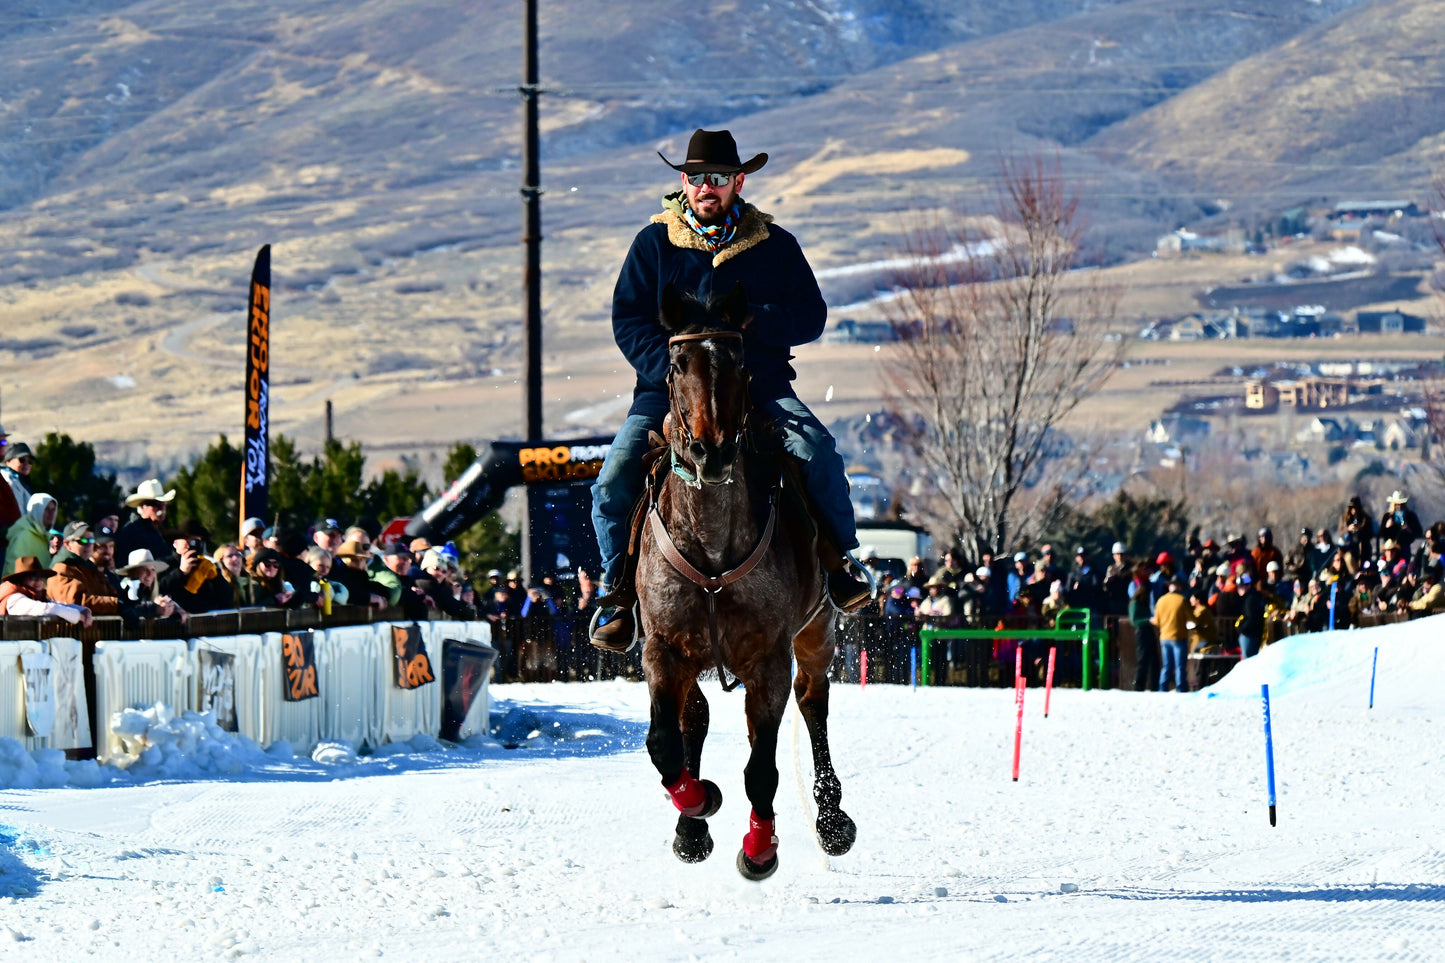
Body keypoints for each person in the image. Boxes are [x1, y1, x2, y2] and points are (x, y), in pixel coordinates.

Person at [588, 128, 870, 651]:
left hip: (759, 387)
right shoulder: (654, 243)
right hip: (669, 391)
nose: (706, 187)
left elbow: (812, 316)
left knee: (817, 451)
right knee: (612, 480)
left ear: (739, 182)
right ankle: (618, 592)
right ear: (684, 181)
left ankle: (840, 563)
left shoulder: (775, 245)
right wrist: (670, 374)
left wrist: (759, 322)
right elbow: (628, 320)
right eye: (697, 178)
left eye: (718, 178)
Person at [47, 522, 121, 615]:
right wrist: (116, 605)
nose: (89, 545)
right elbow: (75, 601)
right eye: (83, 541)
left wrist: (127, 603)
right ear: (67, 544)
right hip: (71, 629)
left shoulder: (90, 568)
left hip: (92, 628)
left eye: (91, 540)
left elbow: (108, 593)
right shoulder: (62, 569)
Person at [0, 557, 92, 624]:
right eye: (33, 576)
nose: (39, 581)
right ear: (21, 579)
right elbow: (48, 608)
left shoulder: (35, 596)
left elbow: (57, 605)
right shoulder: (14, 599)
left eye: (41, 576)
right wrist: (78, 616)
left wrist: (83, 610)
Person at [115, 479, 176, 562]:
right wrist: (176, 558)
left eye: (163, 503)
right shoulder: (131, 533)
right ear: (141, 507)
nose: (161, 507)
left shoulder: (164, 528)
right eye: (155, 504)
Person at [1151, 578, 1190, 692]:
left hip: (1164, 637)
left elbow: (1157, 621)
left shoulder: (1161, 600)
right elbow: (1191, 618)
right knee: (1180, 667)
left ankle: (1162, 689)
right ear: (1179, 587)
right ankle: (1181, 689)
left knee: (1167, 666)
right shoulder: (1182, 600)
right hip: (1178, 636)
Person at [5, 492, 57, 575]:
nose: (51, 513)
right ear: (36, 510)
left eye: (53, 509)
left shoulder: (44, 537)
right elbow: (12, 572)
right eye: (46, 509)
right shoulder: (23, 536)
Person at [1236, 574, 1266, 658]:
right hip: (1252, 634)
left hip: (1250, 635)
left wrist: (1242, 629)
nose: (1240, 588)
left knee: (1248, 661)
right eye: (1239, 586)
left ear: (1249, 585)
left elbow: (1251, 618)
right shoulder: (1250, 597)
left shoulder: (1250, 599)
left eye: (1243, 586)